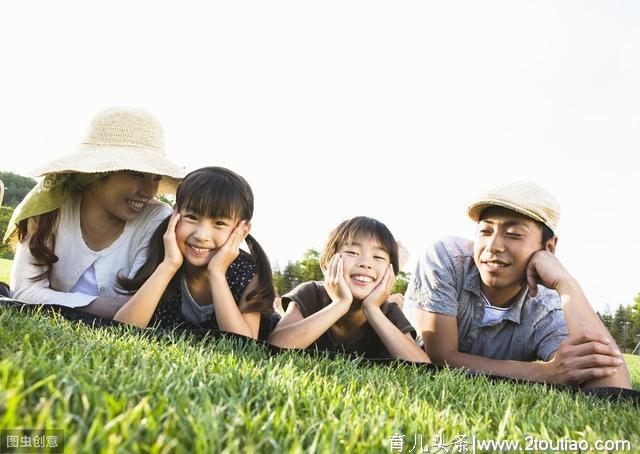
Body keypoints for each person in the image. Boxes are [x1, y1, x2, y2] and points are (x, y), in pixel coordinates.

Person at [405, 182, 631, 389]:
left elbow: (614, 389)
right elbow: (440, 358)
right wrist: (546, 372)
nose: (492, 246)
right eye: (485, 231)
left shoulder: (548, 309)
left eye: (513, 234)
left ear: (549, 247)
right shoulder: (447, 257)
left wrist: (567, 284)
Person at [5, 107, 185, 318]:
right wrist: (99, 307)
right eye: (137, 174)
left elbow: (138, 307)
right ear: (97, 174)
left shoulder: (157, 219)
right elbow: (24, 292)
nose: (149, 191)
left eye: (156, 179)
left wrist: (52, 300)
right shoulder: (50, 208)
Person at [114, 167, 276, 340]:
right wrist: (169, 265)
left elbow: (242, 345)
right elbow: (122, 330)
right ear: (176, 214)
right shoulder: (165, 255)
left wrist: (217, 273)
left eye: (219, 223)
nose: (201, 235)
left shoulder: (249, 272)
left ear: (242, 230)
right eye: (192, 217)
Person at [269, 216, 428, 362]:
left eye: (378, 257)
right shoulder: (311, 293)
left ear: (391, 272)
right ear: (327, 264)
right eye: (352, 252)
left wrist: (372, 310)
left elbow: (423, 366)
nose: (366, 263)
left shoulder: (388, 311)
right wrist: (340, 304)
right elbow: (275, 346)